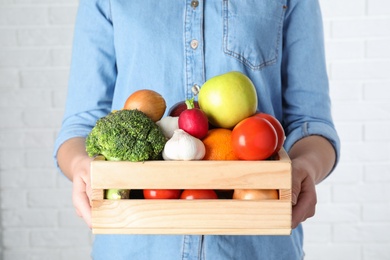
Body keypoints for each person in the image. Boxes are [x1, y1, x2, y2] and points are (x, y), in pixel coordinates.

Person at [54, 0, 340, 259]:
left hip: (257, 246)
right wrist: (81, 166)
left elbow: (312, 123)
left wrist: (306, 168)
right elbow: (80, 126)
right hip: (135, 246)